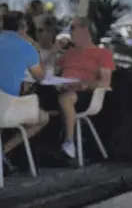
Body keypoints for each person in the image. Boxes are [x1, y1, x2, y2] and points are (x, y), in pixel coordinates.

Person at [0, 12, 48, 172]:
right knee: (43, 118)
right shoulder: (26, 48)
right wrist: (36, 48)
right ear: (23, 27)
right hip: (4, 110)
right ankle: (1, 151)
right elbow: (40, 77)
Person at [39, 17, 115, 160]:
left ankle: (69, 142)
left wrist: (84, 84)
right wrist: (55, 50)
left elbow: (105, 82)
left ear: (85, 30)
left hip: (85, 93)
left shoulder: (102, 54)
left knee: (66, 97)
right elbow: (45, 68)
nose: (70, 32)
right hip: (62, 87)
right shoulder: (70, 53)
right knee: (37, 93)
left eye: (72, 28)